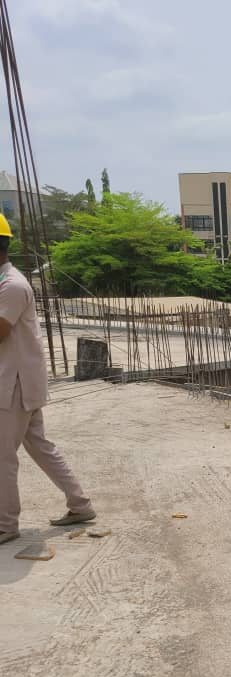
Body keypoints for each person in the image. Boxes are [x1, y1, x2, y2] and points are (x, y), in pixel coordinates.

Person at [0, 213, 95, 545]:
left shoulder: (11, 285)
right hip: (16, 381)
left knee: (2, 457)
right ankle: (80, 504)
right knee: (40, 446)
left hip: (14, 385)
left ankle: (5, 525)